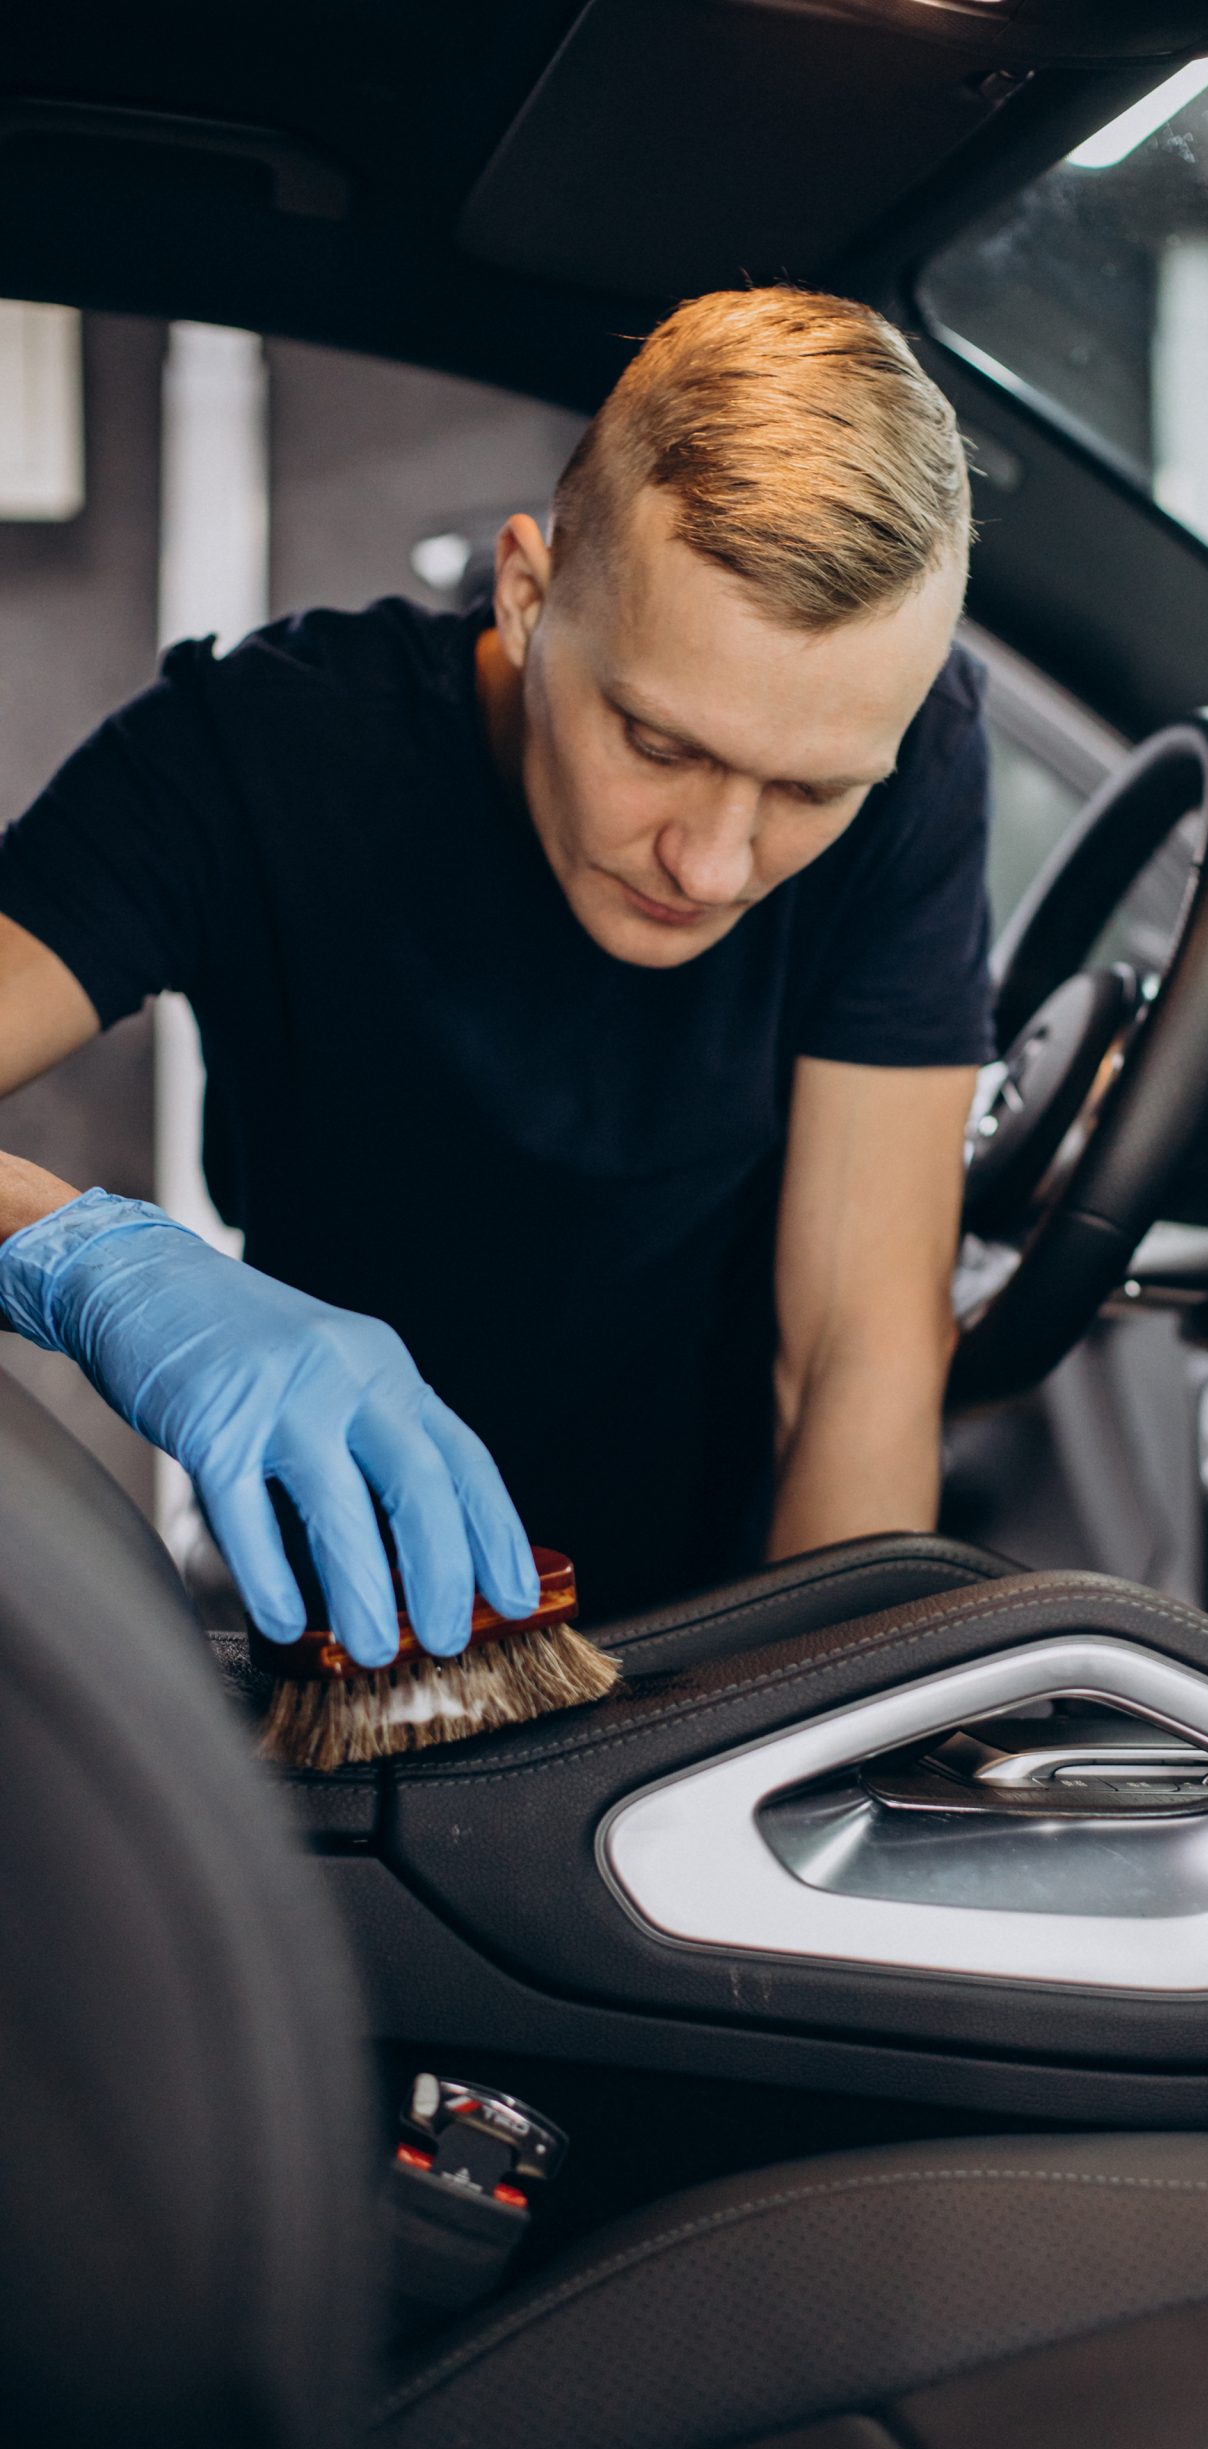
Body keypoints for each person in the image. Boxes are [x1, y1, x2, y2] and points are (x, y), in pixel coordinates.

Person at [0, 287, 991, 1662]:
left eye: (811, 791)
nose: (713, 864)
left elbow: (855, 1353)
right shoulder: (255, 752)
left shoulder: (915, 762)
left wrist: (822, 1722)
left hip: (711, 1626)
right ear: (527, 597)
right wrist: (75, 1256)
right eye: (658, 744)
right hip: (334, 1635)